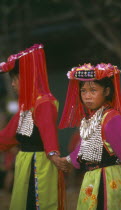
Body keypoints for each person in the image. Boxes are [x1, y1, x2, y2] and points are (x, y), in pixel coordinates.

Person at [59, 63, 121, 209]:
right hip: (92, 178)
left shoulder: (111, 117)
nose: (87, 96)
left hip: (109, 181)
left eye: (93, 90)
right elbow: (85, 147)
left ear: (107, 91)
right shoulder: (91, 118)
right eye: (83, 91)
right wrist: (67, 160)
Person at [0, 44, 66, 210]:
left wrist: (53, 154)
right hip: (25, 164)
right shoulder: (26, 107)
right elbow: (7, 136)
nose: (13, 85)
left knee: (38, 204)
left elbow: (48, 131)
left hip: (40, 165)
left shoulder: (44, 103)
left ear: (27, 78)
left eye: (15, 79)